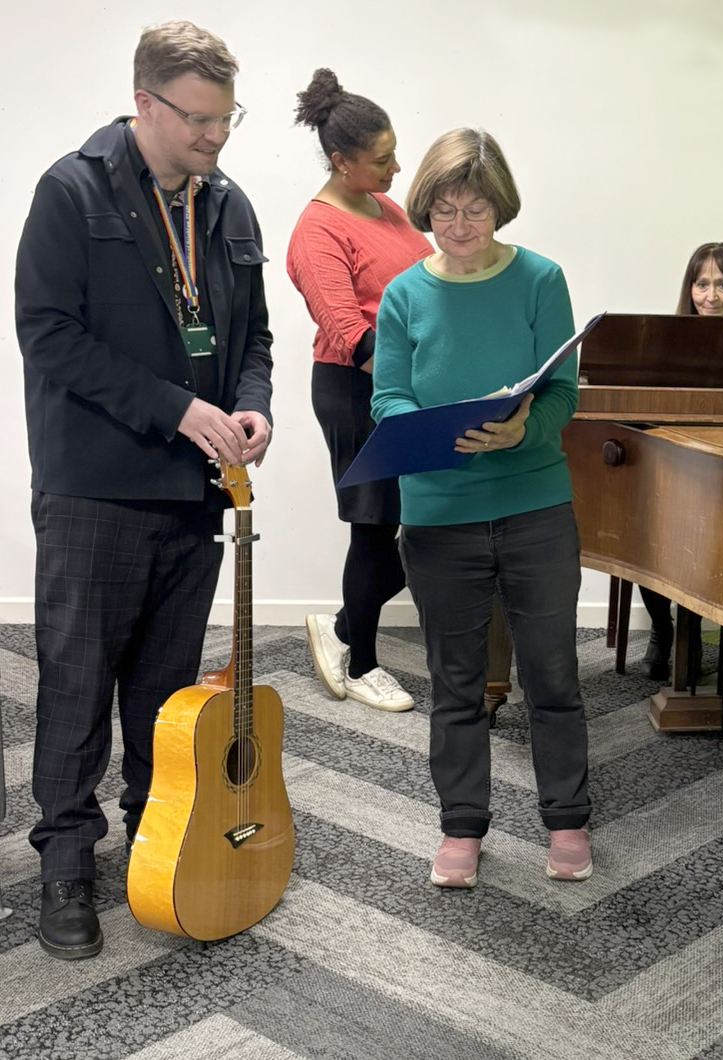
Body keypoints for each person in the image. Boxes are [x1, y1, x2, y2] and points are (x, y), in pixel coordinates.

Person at [14, 21, 273, 959]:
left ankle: (151, 839)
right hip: (96, 490)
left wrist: (252, 410)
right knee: (79, 683)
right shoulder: (70, 191)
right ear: (146, 105)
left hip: (197, 492)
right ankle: (65, 865)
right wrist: (175, 409)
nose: (217, 138)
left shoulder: (229, 205)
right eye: (200, 120)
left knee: (166, 697)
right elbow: (48, 334)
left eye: (226, 118)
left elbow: (254, 341)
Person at [371, 128, 592, 888]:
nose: (460, 227)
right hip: (438, 512)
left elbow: (564, 388)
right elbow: (389, 397)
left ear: (501, 208)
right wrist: (428, 432)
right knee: (455, 680)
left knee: (553, 674)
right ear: (424, 207)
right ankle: (461, 827)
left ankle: (567, 819)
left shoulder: (540, 280)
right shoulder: (403, 295)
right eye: (444, 210)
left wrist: (527, 424)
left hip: (534, 503)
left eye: (476, 210)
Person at [286, 69, 429, 713]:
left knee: (423, 520)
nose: (397, 167)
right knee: (375, 524)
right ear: (342, 162)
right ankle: (364, 662)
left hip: (410, 384)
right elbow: (351, 334)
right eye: (382, 159)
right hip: (356, 387)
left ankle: (342, 627)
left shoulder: (386, 207)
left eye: (395, 152)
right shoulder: (316, 232)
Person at [638, 242, 723, 680]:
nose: (711, 296)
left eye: (722, 284)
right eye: (702, 284)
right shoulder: (665, 341)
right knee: (644, 539)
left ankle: (701, 634)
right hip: (677, 464)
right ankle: (662, 630)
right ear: (690, 289)